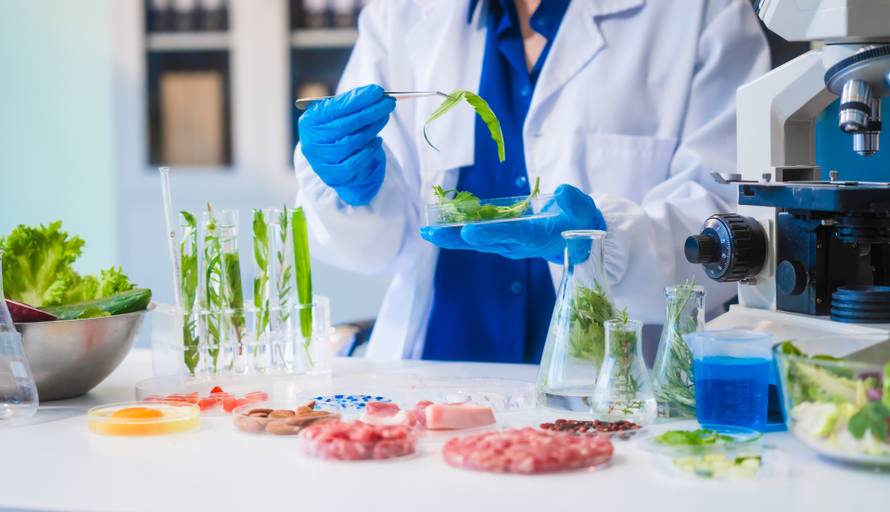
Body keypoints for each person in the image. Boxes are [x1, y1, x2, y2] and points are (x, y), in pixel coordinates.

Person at [294, 0, 770, 362]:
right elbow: (378, 249)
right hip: (438, 376)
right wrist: (354, 190)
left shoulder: (700, 12)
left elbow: (730, 227)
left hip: (609, 386)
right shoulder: (402, 14)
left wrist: (611, 243)